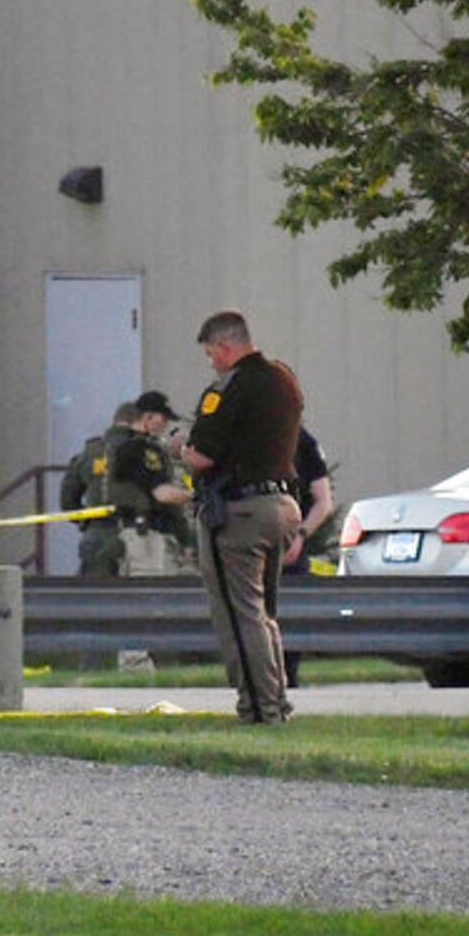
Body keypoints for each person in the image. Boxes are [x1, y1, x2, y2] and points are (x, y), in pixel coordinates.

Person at [179, 310, 304, 724]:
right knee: (265, 613)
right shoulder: (284, 379)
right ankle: (277, 700)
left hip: (240, 513)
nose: (211, 361)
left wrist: (174, 446)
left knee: (239, 614)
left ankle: (259, 709)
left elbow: (201, 456)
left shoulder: (227, 389)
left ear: (226, 346)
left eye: (211, 352)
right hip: (282, 506)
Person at [108, 390, 195, 576]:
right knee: (149, 590)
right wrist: (196, 496)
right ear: (148, 417)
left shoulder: (129, 446)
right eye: (162, 419)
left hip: (139, 530)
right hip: (143, 534)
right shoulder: (141, 450)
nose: (164, 424)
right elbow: (161, 493)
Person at [276, 424, 335, 687]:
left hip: (290, 541)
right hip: (252, 537)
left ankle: (289, 676)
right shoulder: (248, 433)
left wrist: (300, 535)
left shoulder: (303, 441)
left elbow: (323, 500)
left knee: (290, 610)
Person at [60, 402, 138, 575]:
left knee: (96, 598)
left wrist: (87, 521)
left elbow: (67, 502)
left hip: (95, 537)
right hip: (137, 540)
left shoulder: (88, 453)